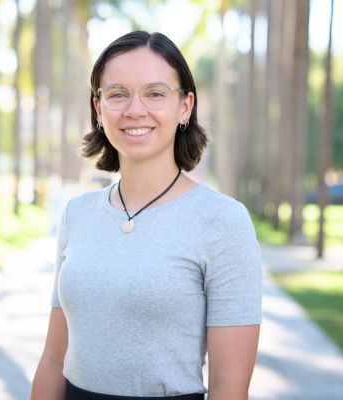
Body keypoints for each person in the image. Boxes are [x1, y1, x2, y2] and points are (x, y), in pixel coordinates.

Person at [30, 31, 262, 400]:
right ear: (98, 108)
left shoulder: (223, 221)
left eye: (155, 93)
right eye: (118, 93)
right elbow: (53, 359)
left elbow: (228, 387)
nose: (135, 110)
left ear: (185, 107)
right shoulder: (77, 212)